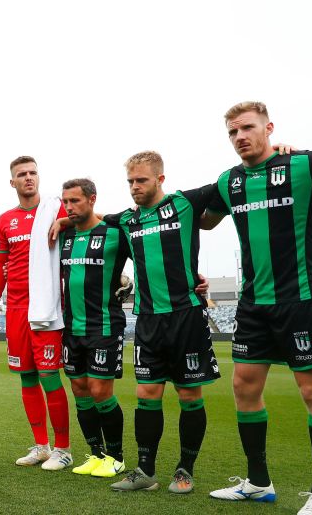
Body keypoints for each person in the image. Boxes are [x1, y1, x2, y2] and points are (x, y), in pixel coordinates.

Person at [203, 100, 312, 515]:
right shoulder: (229, 181)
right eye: (233, 132)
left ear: (269, 128)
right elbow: (204, 219)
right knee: (244, 388)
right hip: (253, 303)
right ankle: (258, 483)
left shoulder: (304, 164)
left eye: (248, 128)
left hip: (302, 298)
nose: (240, 137)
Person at [93, 151, 220, 494]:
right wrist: (62, 221)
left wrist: (279, 150)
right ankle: (145, 471)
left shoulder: (186, 203)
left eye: (142, 180)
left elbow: (231, 183)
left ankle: (185, 470)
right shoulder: (127, 220)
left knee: (189, 395)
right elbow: (94, 218)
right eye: (130, 181)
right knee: (146, 394)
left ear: (160, 179)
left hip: (186, 316)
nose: (134, 186)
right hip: (148, 320)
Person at [0, 156, 71, 470]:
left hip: (46, 307)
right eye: (22, 174)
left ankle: (63, 449)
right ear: (13, 182)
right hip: (16, 309)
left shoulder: (55, 209)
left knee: (49, 375)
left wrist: (65, 222)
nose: (28, 177)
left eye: (33, 172)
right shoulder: (6, 219)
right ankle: (42, 446)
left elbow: (87, 222)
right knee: (27, 377)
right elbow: (2, 264)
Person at [57, 178, 131, 478]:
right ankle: (96, 454)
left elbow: (147, 254)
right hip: (71, 327)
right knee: (80, 390)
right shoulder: (65, 236)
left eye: (75, 200)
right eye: (65, 202)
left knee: (100, 390)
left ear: (92, 199)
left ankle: (116, 457)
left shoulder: (115, 233)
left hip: (104, 324)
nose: (69, 207)